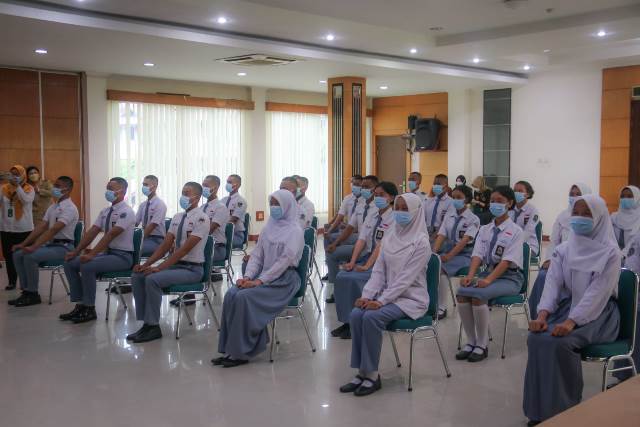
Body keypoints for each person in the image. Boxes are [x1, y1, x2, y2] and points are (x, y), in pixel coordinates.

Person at [523, 195, 621, 425]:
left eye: (587, 213)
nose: (579, 218)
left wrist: (571, 322)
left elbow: (598, 293)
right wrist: (543, 314)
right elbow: (553, 283)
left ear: (599, 218)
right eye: (576, 212)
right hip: (569, 307)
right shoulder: (566, 248)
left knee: (562, 344)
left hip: (599, 313)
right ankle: (539, 410)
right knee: (536, 339)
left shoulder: (611, 253)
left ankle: (566, 411)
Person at [339, 192, 430, 397]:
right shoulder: (390, 235)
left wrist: (380, 301)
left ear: (416, 212)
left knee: (372, 318)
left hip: (410, 299)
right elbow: (379, 271)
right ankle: (361, 371)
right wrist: (368, 296)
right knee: (356, 314)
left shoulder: (421, 242)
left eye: (405, 209)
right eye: (397, 208)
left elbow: (405, 280)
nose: (399, 212)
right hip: (386, 296)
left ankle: (371, 375)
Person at [212, 189, 304, 368]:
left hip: (285, 280)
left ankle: (241, 353)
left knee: (244, 297)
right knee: (232, 294)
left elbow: (284, 262)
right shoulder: (269, 226)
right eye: (272, 203)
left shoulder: (295, 231)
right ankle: (229, 349)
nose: (274, 207)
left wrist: (260, 281)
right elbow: (257, 256)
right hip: (265, 275)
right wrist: (247, 277)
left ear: (287, 206)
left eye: (277, 204)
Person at [127, 182, 210, 343]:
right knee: (138, 275)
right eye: (183, 192)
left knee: (152, 279)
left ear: (197, 197)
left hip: (192, 270)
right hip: (176, 266)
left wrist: (159, 268)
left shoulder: (202, 218)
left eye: (187, 193)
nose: (184, 197)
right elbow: (165, 245)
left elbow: (184, 250)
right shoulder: (178, 217)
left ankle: (153, 327)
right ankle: (146, 323)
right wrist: (146, 264)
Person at [456, 186, 524, 363]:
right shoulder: (485, 229)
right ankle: (470, 342)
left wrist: (487, 280)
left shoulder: (516, 231)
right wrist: (471, 275)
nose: (495, 204)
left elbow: (506, 261)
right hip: (488, 273)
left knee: (478, 295)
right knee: (462, 293)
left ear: (509, 203)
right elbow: (477, 254)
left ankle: (482, 345)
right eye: (493, 200)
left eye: (500, 201)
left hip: (510, 278)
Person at [61, 177, 135, 323]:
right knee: (70, 263)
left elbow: (111, 235)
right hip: (107, 255)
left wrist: (92, 254)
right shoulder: (105, 211)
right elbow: (92, 232)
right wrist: (76, 252)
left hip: (122, 257)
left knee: (87, 265)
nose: (107, 191)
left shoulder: (126, 212)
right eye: (107, 188)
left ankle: (89, 308)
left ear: (122, 192)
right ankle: (80, 304)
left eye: (111, 189)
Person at [331, 181, 397, 339]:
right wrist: (353, 262)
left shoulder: (394, 218)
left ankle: (355, 323)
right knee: (341, 277)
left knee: (353, 279)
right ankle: (347, 321)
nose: (378, 197)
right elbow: (361, 239)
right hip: (368, 258)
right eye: (376, 194)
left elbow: (381, 245)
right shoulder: (373, 214)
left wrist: (367, 265)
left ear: (392, 197)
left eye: (382, 195)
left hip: (384, 263)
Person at [9, 176, 78, 307]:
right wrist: (23, 244)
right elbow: (42, 227)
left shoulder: (70, 208)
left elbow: (53, 230)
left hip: (64, 248)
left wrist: (34, 247)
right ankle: (26, 291)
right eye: (55, 185)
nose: (54, 188)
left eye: (58, 185)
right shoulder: (53, 206)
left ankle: (33, 294)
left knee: (30, 256)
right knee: (18, 254)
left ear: (67, 189)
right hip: (51, 245)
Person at [528, 183, 592, 319]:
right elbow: (554, 242)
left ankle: (563, 315)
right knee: (542, 276)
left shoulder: (592, 219)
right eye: (571, 194)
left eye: (578, 194)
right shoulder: (562, 216)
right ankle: (538, 316)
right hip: (560, 259)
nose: (574, 197)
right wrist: (549, 259)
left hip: (581, 264)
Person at [324, 175, 379, 303]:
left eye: (366, 187)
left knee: (351, 265)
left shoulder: (378, 208)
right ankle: (334, 286)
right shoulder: (360, 205)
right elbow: (349, 227)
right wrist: (336, 243)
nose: (362, 189)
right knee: (332, 252)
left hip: (370, 248)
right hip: (360, 244)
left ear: (375, 189)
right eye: (362, 186)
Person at [432, 185, 480, 320]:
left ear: (467, 199)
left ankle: (441, 307)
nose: (455, 200)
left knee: (440, 270)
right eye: (453, 197)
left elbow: (464, 241)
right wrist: (434, 253)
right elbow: (441, 235)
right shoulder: (450, 215)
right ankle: (429, 303)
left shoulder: (473, 219)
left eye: (459, 198)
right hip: (449, 249)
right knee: (430, 265)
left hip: (465, 254)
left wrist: (449, 256)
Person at [1, 165, 35, 290]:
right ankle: (12, 281)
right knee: (8, 256)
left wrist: (18, 186)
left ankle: (25, 283)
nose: (14, 176)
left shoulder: (29, 188)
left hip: (23, 229)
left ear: (23, 175)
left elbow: (25, 200)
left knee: (24, 256)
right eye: (12, 174)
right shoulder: (4, 188)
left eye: (17, 174)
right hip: (6, 228)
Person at [136, 175, 167, 258]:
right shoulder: (143, 205)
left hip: (157, 240)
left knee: (133, 248)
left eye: (146, 185)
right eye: (143, 184)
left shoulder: (160, 204)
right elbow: (134, 223)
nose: (143, 187)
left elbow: (152, 226)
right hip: (144, 238)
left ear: (154, 187)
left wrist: (138, 240)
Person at [509, 180, 541, 257]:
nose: (516, 193)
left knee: (509, 255)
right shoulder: (510, 209)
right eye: (515, 191)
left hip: (528, 246)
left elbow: (527, 232)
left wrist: (512, 244)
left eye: (520, 191)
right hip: (509, 244)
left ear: (528, 194)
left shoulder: (533, 211)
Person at [220, 174, 248, 248]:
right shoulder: (223, 200)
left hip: (235, 235)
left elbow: (232, 221)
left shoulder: (241, 201)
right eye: (227, 182)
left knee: (213, 242)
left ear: (237, 185)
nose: (227, 184)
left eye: (229, 182)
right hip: (222, 233)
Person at [610, 185, 640, 253]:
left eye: (629, 196)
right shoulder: (613, 217)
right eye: (622, 196)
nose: (625, 199)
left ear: (637, 198)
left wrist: (624, 254)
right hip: (614, 256)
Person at [424, 174, 453, 239]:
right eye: (434, 183)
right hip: (426, 233)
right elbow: (423, 218)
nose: (436, 186)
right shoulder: (429, 200)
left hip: (442, 235)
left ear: (446, 186)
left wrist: (433, 236)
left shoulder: (450, 202)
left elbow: (446, 223)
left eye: (439, 184)